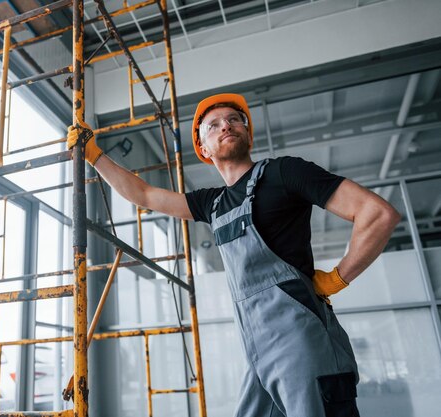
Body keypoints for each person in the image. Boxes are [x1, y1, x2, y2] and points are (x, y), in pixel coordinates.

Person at [67, 93, 400, 416]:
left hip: (305, 347)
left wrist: (338, 277)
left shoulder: (284, 173)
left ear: (248, 134)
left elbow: (376, 213)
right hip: (257, 355)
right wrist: (93, 154)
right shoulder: (212, 204)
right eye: (212, 125)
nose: (225, 126)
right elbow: (144, 194)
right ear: (203, 148)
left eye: (234, 119)